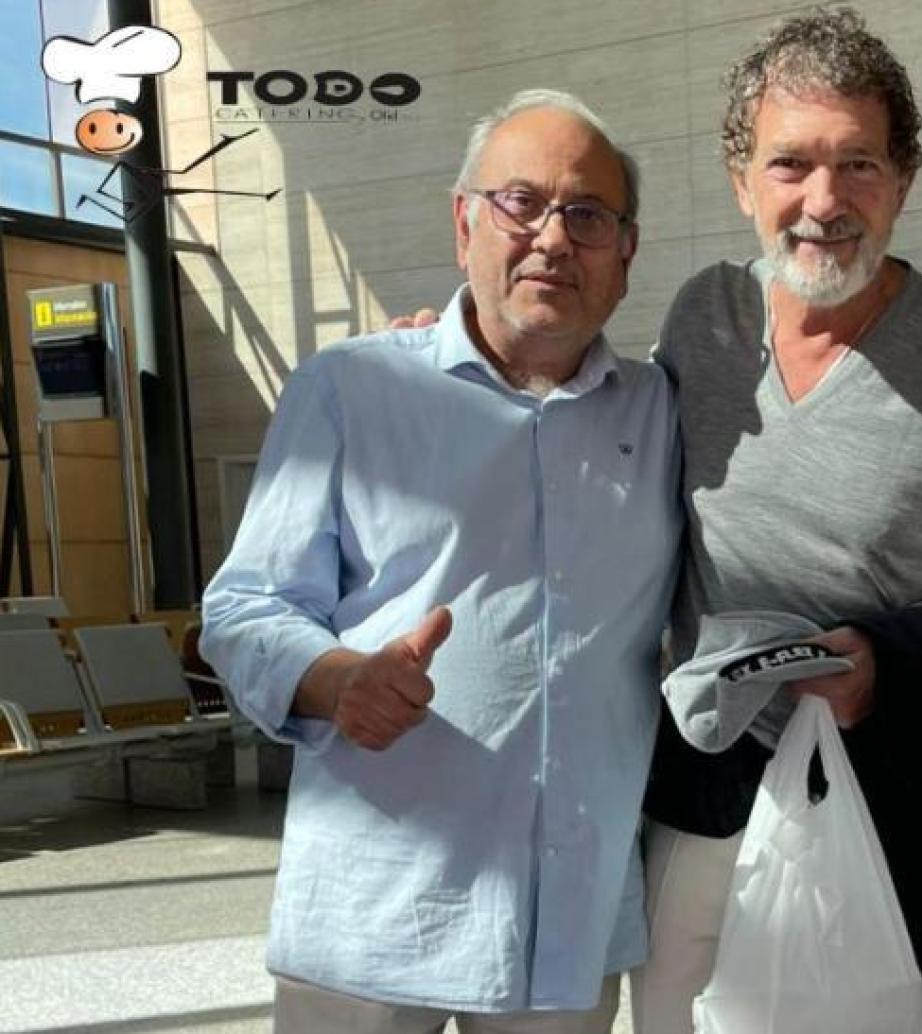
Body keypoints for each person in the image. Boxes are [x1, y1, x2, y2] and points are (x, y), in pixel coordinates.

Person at [200, 90, 680, 1033]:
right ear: (465, 223)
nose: (551, 237)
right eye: (520, 202)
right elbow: (244, 606)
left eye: (587, 216)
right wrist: (334, 677)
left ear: (625, 254)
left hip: (568, 919)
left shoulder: (663, 413)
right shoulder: (351, 389)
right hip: (376, 909)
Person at [632, 8, 922, 1033]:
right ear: (741, 181)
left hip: (891, 800)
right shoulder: (701, 317)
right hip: (704, 787)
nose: (823, 202)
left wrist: (887, 667)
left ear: (902, 179)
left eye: (857, 165)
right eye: (790, 165)